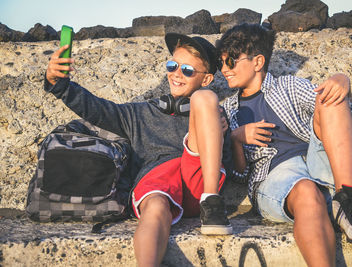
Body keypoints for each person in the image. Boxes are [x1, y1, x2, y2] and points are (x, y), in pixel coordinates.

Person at [45, 33, 233, 267]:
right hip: (157, 184)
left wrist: (224, 133)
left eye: (187, 70)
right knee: (155, 207)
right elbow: (98, 110)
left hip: (200, 190)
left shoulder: (211, 112)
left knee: (205, 99)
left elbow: (226, 162)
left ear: (205, 79)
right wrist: (59, 84)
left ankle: (213, 203)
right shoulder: (140, 113)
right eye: (173, 65)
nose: (176, 73)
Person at [217, 23, 352, 267]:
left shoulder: (287, 86)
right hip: (276, 179)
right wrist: (236, 138)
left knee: (329, 95)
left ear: (258, 62)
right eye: (221, 64)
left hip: (318, 163)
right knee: (306, 191)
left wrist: (340, 80)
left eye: (230, 61)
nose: (224, 70)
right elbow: (239, 175)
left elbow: (337, 106)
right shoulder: (230, 110)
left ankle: (348, 199)